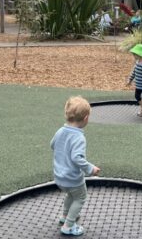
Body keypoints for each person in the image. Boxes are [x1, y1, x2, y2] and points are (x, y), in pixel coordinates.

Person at [51, 96, 101, 236]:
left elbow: (52, 145)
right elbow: (77, 158)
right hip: (72, 179)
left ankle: (65, 216)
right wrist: (91, 169)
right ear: (85, 118)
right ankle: (69, 225)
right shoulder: (79, 137)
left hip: (59, 176)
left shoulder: (60, 131)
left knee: (70, 195)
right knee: (80, 198)